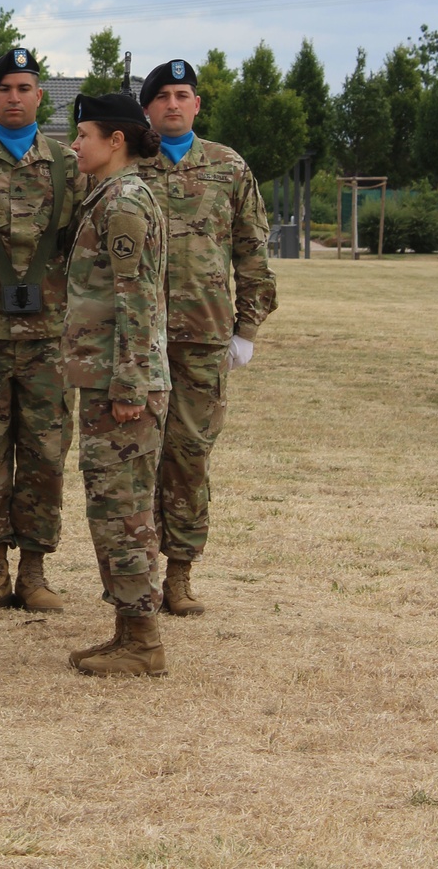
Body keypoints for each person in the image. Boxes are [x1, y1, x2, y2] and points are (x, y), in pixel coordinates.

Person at [137, 59, 278, 616]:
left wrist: (247, 327)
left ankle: (180, 573)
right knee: (138, 458)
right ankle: (137, 572)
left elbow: (253, 249)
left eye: (183, 94)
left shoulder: (228, 167)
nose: (173, 104)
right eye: (163, 96)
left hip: (203, 335)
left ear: (197, 105)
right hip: (138, 337)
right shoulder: (130, 165)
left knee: (189, 455)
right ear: (146, 108)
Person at [0, 49, 85, 613]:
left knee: (45, 452)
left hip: (50, 338)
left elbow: (88, 247)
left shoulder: (71, 165)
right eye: (4, 87)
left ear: (40, 97)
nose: (14, 96)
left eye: (24, 87)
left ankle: (34, 571)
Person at [63, 92, 170, 677]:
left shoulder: (124, 202)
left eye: (83, 134)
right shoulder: (108, 197)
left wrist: (128, 387)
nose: (75, 145)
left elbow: (136, 300)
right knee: (113, 506)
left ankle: (144, 641)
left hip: (121, 384)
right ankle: (128, 629)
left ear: (116, 141)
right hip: (108, 378)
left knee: (122, 509)